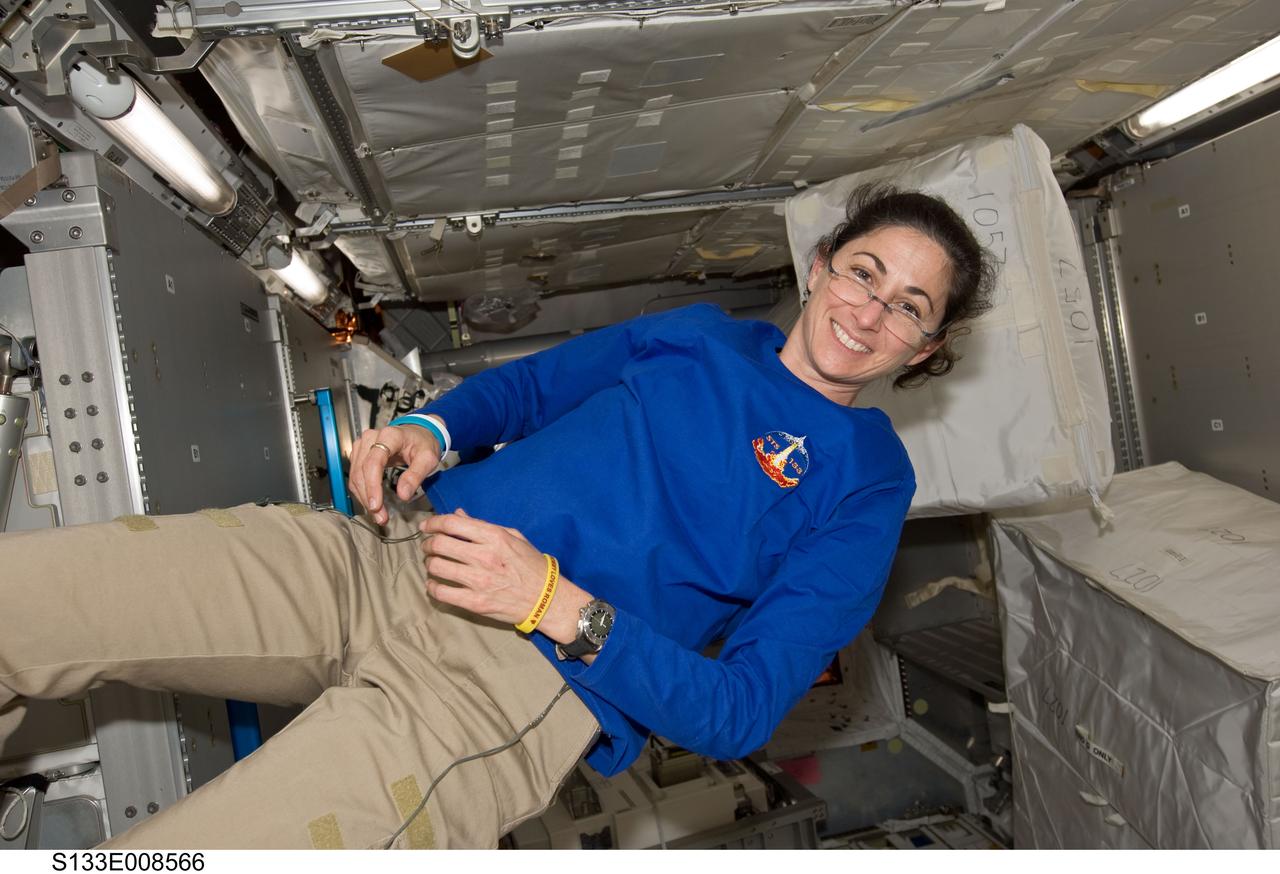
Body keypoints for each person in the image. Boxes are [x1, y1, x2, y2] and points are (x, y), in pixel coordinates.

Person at [0, 184, 995, 848]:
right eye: (865, 271)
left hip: (506, 693)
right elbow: (533, 389)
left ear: (925, 348)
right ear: (821, 264)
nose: (870, 311)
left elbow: (736, 711)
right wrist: (430, 429)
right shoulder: (699, 335)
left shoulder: (868, 484)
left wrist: (556, 605)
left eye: (910, 306)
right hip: (390, 555)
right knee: (30, 599)